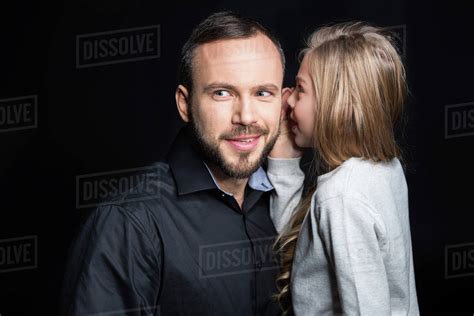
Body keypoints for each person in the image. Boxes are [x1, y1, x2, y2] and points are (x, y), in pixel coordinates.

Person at [61, 11, 288, 315]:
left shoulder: (287, 206)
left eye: (263, 93)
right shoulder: (130, 223)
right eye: (222, 93)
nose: (246, 116)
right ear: (185, 104)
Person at [267, 22, 420, 315]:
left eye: (299, 89)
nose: (287, 100)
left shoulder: (342, 196)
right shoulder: (385, 169)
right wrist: (284, 157)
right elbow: (300, 248)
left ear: (336, 105)